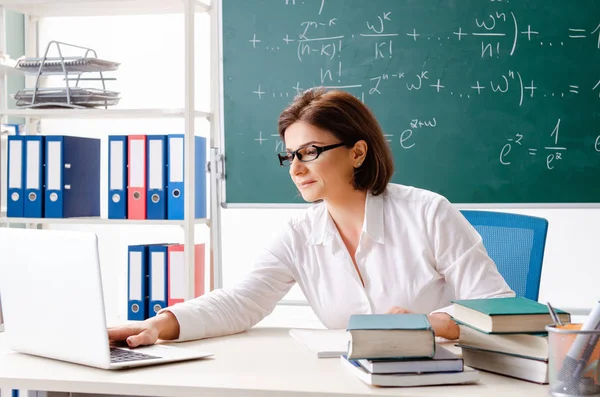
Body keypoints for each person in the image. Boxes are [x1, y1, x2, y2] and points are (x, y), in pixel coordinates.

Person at [108, 87, 515, 348]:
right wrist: (158, 325)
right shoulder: (299, 234)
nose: (296, 169)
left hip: (435, 380)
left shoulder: (428, 213)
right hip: (345, 381)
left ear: (357, 152)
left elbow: (499, 307)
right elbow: (241, 301)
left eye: (310, 152)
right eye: (290, 156)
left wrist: (433, 322)